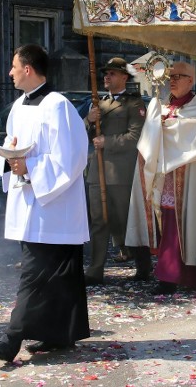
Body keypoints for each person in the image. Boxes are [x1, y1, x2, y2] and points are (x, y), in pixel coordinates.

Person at [0, 44, 90, 362]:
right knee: (59, 276)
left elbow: (72, 158)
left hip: (55, 208)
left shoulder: (59, 106)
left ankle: (11, 339)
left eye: (14, 66)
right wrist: (10, 156)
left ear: (28, 69)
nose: (10, 72)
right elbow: (12, 145)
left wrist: (29, 167)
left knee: (33, 275)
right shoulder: (18, 106)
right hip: (31, 201)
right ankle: (59, 335)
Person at [125, 62, 196, 295]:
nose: (172, 81)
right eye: (170, 77)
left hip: (189, 178)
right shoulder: (164, 105)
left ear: (190, 80)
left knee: (185, 225)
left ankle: (182, 275)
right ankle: (169, 274)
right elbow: (150, 135)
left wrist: (166, 127)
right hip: (165, 176)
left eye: (178, 76)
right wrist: (157, 125)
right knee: (167, 223)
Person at [85, 57, 150, 286]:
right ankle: (95, 270)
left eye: (112, 73)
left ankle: (143, 265)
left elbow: (135, 137)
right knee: (98, 222)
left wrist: (107, 141)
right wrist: (88, 121)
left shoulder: (134, 104)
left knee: (126, 221)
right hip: (97, 171)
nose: (107, 76)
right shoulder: (98, 104)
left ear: (124, 77)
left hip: (121, 174)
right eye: (106, 73)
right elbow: (83, 136)